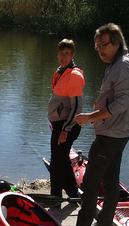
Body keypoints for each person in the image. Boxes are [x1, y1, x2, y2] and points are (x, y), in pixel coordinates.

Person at [72, 23, 129, 226]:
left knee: (90, 184)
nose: (100, 50)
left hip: (110, 135)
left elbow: (121, 104)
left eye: (104, 45)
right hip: (117, 133)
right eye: (97, 46)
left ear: (117, 43)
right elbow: (115, 99)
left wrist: (91, 117)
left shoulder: (122, 66)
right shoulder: (117, 63)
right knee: (110, 183)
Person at [47, 39, 85, 200]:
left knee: (57, 162)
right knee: (60, 160)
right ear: (57, 54)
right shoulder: (61, 71)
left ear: (72, 55)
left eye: (67, 54)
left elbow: (77, 107)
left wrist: (66, 129)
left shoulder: (74, 75)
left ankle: (56, 197)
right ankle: (72, 193)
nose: (63, 57)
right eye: (61, 53)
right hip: (60, 124)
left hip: (67, 126)